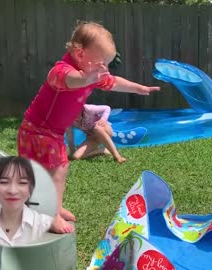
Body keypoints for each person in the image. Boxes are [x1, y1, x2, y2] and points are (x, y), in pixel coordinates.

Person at [17, 21, 160, 233]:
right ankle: (50, 214)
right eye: (102, 62)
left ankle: (50, 206)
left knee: (50, 170)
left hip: (50, 133)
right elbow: (71, 80)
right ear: (80, 53)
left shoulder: (90, 75)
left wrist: (139, 88)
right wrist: (89, 77)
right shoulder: (61, 71)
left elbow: (115, 81)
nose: (106, 69)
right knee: (57, 170)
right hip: (37, 130)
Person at [0, 156, 54, 247]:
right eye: (4, 182)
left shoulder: (44, 224)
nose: (12, 191)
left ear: (31, 188)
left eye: (22, 183)